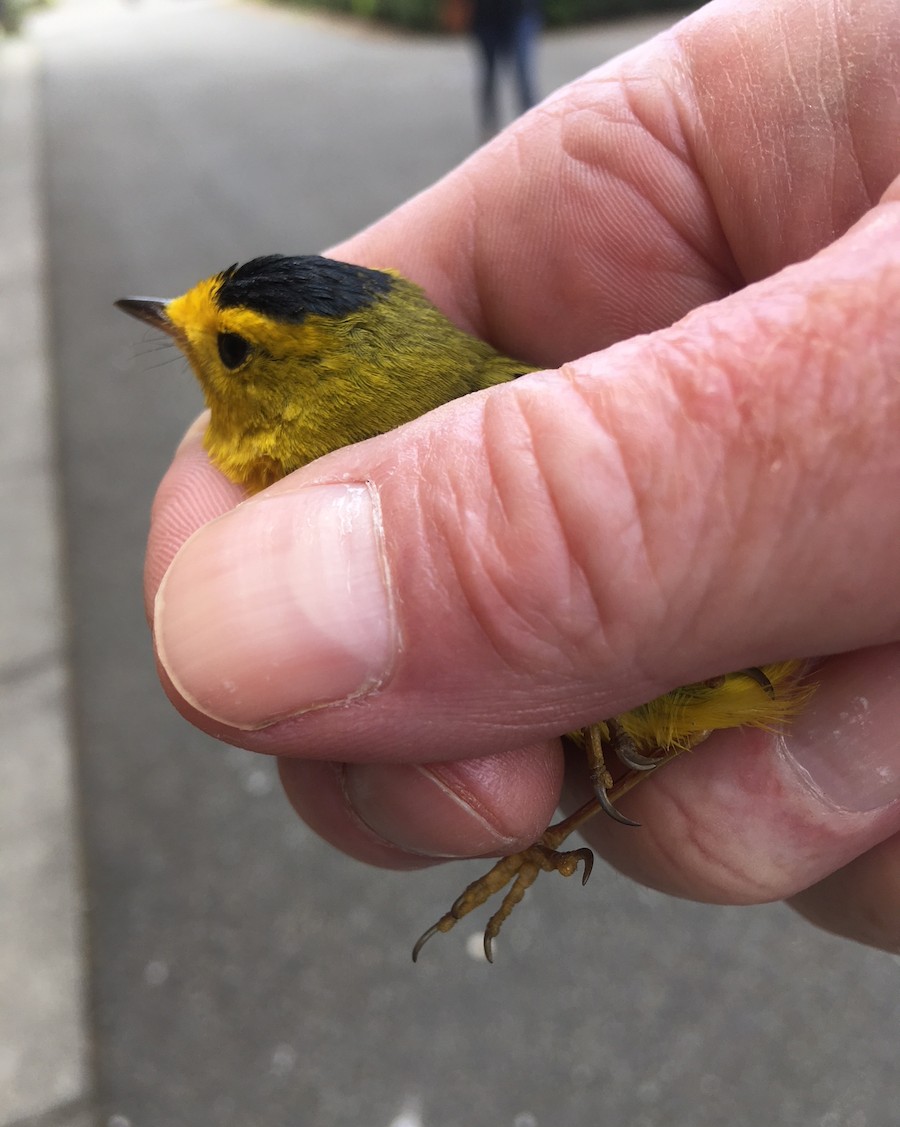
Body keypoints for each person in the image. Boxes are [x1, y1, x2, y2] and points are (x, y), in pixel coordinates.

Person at [145, 0, 900, 954]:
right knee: (665, 796)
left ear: (305, 385)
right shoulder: (325, 444)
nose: (185, 336)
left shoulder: (365, 456)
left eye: (235, 351)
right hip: (690, 672)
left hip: (743, 643)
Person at [469, 0, 540, 137]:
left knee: (523, 74)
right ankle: (490, 125)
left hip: (519, 13)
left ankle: (534, 124)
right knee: (489, 74)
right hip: (485, 17)